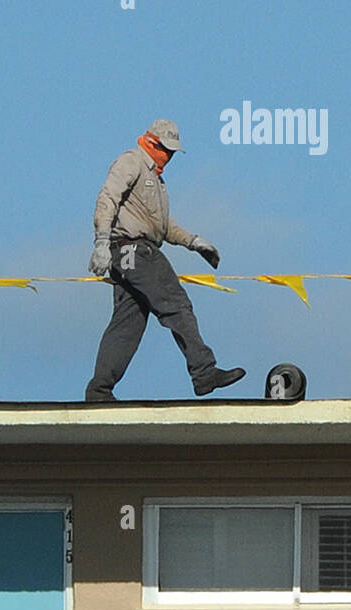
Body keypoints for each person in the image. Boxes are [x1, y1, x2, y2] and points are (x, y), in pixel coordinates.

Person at [85, 119, 245, 401]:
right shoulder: (131, 162)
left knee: (127, 324)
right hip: (135, 251)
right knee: (176, 305)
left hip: (126, 255)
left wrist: (193, 242)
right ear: (152, 142)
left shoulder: (156, 179)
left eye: (172, 152)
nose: (169, 157)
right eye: (166, 150)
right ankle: (204, 372)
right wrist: (100, 242)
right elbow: (107, 198)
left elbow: (160, 225)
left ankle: (99, 391)